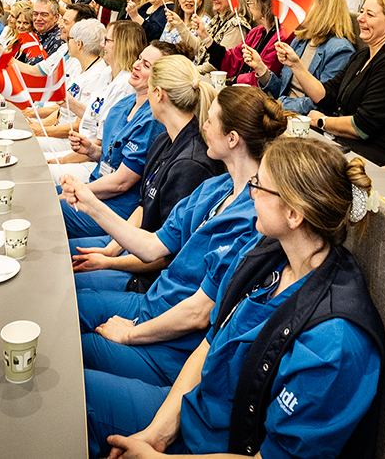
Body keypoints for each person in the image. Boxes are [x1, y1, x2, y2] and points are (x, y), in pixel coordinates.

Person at [85, 136, 385, 459]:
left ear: (294, 215)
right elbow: (208, 345)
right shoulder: (264, 254)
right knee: (80, 377)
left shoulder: (334, 343)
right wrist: (155, 435)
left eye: (260, 186)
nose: (250, 193)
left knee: (78, 400)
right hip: (190, 415)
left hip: (216, 446)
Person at [70, 82, 286, 386]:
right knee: (71, 304)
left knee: (78, 350)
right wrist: (91, 205)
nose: (203, 125)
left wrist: (131, 334)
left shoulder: (256, 218)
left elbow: (198, 313)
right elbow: (152, 246)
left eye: (210, 120)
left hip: (172, 345)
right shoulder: (215, 188)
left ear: (233, 139)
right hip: (153, 305)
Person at [68, 55, 219, 265]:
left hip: (151, 269)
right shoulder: (164, 140)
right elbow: (144, 206)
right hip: (135, 243)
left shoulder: (190, 165)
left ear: (158, 94)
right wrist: (110, 250)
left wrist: (108, 262)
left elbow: (166, 255)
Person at [56, 42, 172, 237]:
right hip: (97, 187)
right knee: (45, 193)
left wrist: (79, 190)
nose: (135, 65)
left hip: (117, 207)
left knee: (50, 209)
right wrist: (91, 150)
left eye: (146, 65)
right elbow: (114, 157)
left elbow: (121, 182)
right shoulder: (125, 104)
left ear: (160, 78)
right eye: (138, 59)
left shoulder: (152, 120)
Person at [306, 0, 385, 165]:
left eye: (370, 14)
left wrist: (322, 122)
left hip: (376, 153)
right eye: (361, 11)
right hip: (346, 143)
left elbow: (361, 127)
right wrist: (295, 65)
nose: (360, 18)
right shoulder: (362, 56)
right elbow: (327, 95)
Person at [46, 21, 145, 164]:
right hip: (81, 145)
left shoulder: (126, 85)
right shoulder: (107, 72)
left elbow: (102, 143)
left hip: (94, 159)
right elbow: (94, 116)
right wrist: (70, 103)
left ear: (121, 45)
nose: (102, 45)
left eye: (106, 40)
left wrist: (61, 160)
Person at [261, 0, 356, 114]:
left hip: (306, 123)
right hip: (283, 113)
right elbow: (282, 90)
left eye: (306, 0)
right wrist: (261, 70)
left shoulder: (340, 50)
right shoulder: (300, 40)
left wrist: (280, 104)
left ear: (324, 9)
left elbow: (323, 103)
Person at [207, 0, 285, 87]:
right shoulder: (256, 32)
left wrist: (232, 83)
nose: (248, 7)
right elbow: (232, 60)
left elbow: (264, 75)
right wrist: (206, 38)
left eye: (250, 3)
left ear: (265, 6)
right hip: (241, 87)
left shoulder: (282, 38)